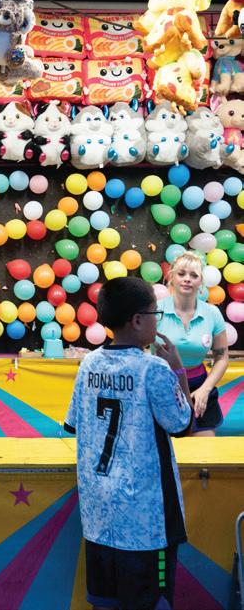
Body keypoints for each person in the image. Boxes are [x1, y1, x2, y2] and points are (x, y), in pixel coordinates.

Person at [64, 276, 193, 610]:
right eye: (155, 314)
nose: (157, 321)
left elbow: (72, 423)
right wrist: (178, 369)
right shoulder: (154, 369)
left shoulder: (88, 363)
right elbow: (183, 423)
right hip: (146, 524)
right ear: (137, 320)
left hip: (98, 516)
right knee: (151, 602)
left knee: (104, 603)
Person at [157, 251, 230, 436]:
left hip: (198, 385)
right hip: (162, 385)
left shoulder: (212, 313)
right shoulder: (156, 310)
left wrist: (206, 389)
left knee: (205, 449)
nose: (187, 279)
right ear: (171, 277)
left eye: (194, 275)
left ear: (201, 282)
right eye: (181, 274)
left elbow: (222, 358)